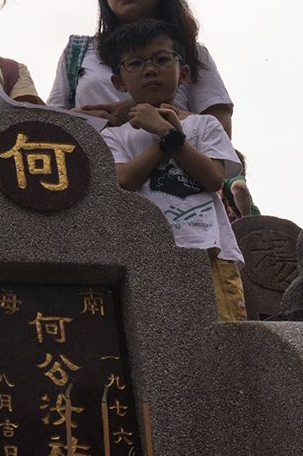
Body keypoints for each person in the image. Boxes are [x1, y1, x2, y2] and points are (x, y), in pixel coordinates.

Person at [98, 19, 247, 321]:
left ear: (184, 73)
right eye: (136, 63)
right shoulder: (113, 135)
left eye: (162, 59)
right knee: (160, 328)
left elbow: (213, 178)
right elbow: (123, 179)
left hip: (211, 250)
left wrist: (169, 133)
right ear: (119, 82)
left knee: (224, 329)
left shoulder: (204, 125)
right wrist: (166, 138)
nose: (150, 70)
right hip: (146, 251)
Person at [48, 0, 234, 135]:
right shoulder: (78, 52)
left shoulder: (191, 52)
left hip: (168, 154)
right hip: (91, 155)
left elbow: (221, 132)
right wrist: (76, 120)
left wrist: (142, 110)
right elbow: (45, 125)